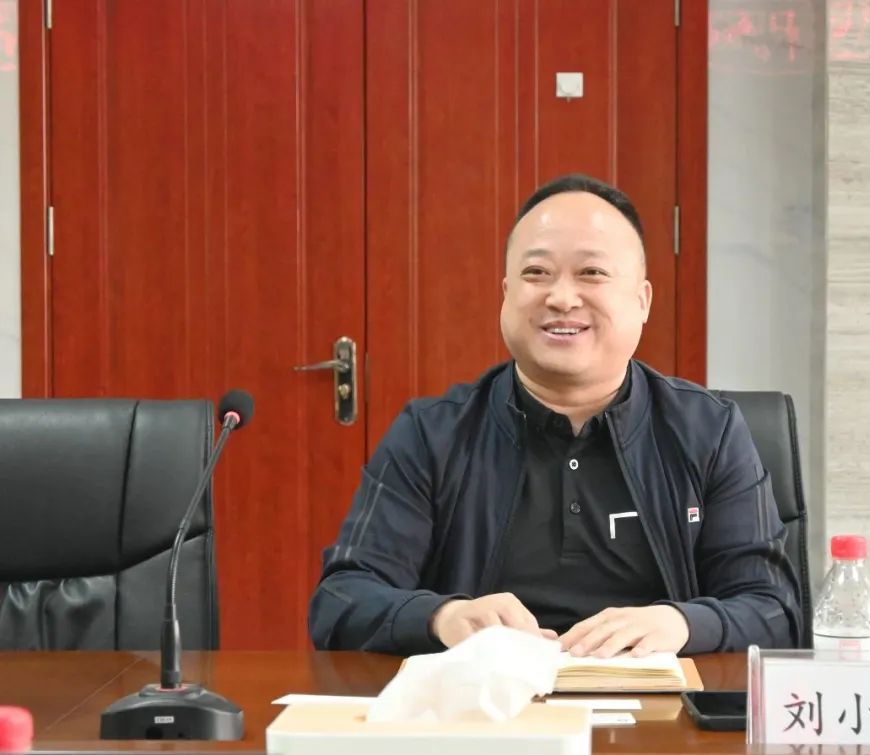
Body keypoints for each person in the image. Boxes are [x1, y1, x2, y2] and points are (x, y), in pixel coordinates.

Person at [309, 173, 801, 657]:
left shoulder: (709, 431)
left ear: (642, 301)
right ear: (506, 294)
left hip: (660, 704)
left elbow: (775, 610)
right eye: (536, 273)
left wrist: (682, 623)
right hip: (490, 705)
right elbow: (341, 599)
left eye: (592, 273)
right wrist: (444, 617)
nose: (562, 298)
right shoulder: (432, 433)